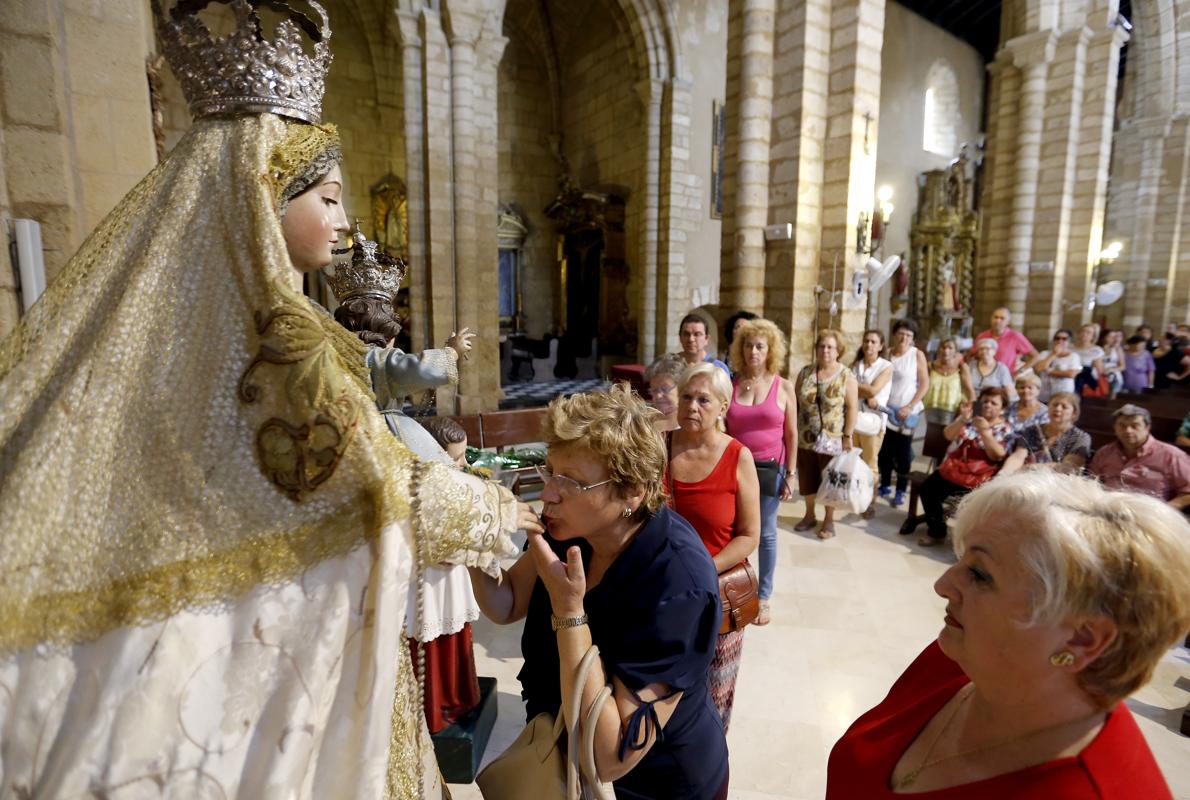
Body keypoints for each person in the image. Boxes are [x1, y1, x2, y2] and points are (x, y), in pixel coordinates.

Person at [0, 4, 529, 796]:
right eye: (329, 199)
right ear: (260, 198)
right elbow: (377, 481)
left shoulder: (194, 317)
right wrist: (495, 511)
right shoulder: (281, 332)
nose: (346, 224)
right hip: (263, 624)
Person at [827, 471, 1190, 800]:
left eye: (980, 575)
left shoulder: (1098, 789)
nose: (943, 584)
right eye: (961, 559)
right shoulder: (956, 658)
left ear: (1082, 639)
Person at [469, 385, 730, 799]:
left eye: (571, 482)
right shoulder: (568, 528)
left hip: (656, 783)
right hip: (562, 755)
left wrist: (570, 611)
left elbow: (609, 756)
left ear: (632, 491)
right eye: (548, 470)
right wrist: (473, 542)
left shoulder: (680, 582)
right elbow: (507, 602)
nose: (548, 494)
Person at [667, 363, 760, 730]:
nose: (692, 405)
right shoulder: (658, 449)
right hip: (663, 593)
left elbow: (749, 535)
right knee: (663, 692)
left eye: (703, 399)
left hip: (716, 597)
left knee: (713, 700)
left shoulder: (739, 457)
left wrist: (705, 567)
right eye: (686, 397)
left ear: (724, 407)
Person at [726, 318, 797, 620]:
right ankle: (732, 586)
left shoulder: (783, 387)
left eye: (760, 346)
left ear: (770, 351)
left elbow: (792, 433)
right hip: (735, 469)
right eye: (748, 345)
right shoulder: (731, 384)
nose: (753, 351)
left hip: (770, 469)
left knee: (766, 533)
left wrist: (790, 474)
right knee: (734, 530)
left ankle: (763, 594)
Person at [912, 387, 1014, 547]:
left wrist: (985, 432)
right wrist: (962, 419)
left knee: (975, 508)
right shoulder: (970, 418)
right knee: (928, 490)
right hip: (954, 469)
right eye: (985, 401)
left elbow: (997, 455)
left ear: (1003, 409)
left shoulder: (1006, 427)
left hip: (979, 477)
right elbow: (947, 435)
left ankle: (969, 543)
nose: (988, 405)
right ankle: (937, 531)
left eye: (994, 403)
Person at [794, 329, 859, 539]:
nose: (825, 351)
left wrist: (848, 435)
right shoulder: (805, 372)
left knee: (830, 480)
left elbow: (852, 408)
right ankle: (809, 515)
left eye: (830, 347)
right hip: (805, 437)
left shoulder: (846, 376)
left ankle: (829, 520)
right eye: (821, 346)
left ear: (838, 351)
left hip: (833, 439)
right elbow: (795, 403)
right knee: (807, 479)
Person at [1089, 404, 1190, 508]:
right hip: (1107, 509)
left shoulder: (1172, 455)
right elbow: (1090, 483)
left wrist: (1165, 510)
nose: (1128, 430)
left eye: (1135, 425)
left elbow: (1188, 492)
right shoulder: (1104, 453)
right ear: (1114, 428)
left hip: (1148, 514)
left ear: (1147, 428)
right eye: (1122, 425)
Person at [877, 319, 930, 508]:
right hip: (887, 410)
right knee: (884, 451)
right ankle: (884, 485)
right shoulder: (887, 354)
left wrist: (910, 406)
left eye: (909, 335)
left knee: (903, 453)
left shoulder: (917, 355)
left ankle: (900, 489)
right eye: (901, 333)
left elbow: (924, 384)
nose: (904, 338)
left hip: (908, 411)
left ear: (913, 338)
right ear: (894, 334)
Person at [850, 329, 892, 518]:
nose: (869, 345)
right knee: (854, 462)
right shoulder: (855, 365)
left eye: (874, 342)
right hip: (853, 419)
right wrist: (862, 390)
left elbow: (873, 390)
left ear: (881, 346)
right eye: (867, 341)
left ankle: (870, 502)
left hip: (872, 423)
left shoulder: (886, 366)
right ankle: (854, 497)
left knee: (870, 464)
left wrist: (852, 386)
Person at [1000, 392, 1091, 476]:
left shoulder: (1080, 437)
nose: (1058, 409)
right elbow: (1018, 456)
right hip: (1026, 477)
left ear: (1074, 413)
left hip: (1057, 482)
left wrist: (1032, 468)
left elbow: (1069, 467)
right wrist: (1003, 474)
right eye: (1054, 405)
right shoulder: (1032, 430)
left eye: (1064, 407)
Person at [922, 338, 974, 425]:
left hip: (953, 410)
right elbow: (922, 385)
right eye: (943, 347)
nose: (946, 351)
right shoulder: (930, 366)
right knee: (931, 435)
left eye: (950, 348)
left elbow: (970, 391)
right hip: (931, 408)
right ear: (939, 349)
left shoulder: (961, 367)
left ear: (956, 351)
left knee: (947, 436)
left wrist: (972, 411)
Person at [972, 307, 1037, 373]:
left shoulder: (1015, 336)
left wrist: (1019, 372)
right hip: (983, 375)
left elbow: (1035, 356)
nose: (998, 321)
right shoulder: (982, 336)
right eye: (995, 317)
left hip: (1005, 378)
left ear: (1008, 322)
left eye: (1002, 318)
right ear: (991, 318)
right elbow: (971, 354)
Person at [1031, 329, 1082, 401]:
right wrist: (1054, 354)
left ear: (1069, 342)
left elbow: (1071, 374)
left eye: (1064, 339)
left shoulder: (1073, 356)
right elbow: (1038, 368)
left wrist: (1049, 371)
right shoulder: (1045, 353)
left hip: (1063, 393)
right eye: (1057, 338)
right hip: (1044, 394)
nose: (1060, 341)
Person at [644, 352, 687, 432]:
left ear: (682, 388)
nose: (658, 396)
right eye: (654, 390)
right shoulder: (644, 421)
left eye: (665, 389)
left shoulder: (688, 425)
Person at [969, 338, 1017, 403]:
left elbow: (1010, 391)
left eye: (987, 348)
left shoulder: (1001, 368)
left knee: (979, 410)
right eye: (981, 349)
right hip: (972, 400)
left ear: (994, 351)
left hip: (991, 402)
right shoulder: (971, 365)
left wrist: (1006, 408)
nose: (984, 351)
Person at [1071, 324, 1106, 395]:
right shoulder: (1070, 347)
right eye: (1083, 331)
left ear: (1093, 336)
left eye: (1088, 332)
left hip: (1085, 379)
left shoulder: (1096, 350)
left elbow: (1099, 369)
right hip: (1069, 375)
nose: (1084, 334)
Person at [1100, 329, 1125, 398]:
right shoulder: (1098, 348)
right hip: (1100, 375)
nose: (1113, 339)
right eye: (1110, 336)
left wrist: (1111, 370)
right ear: (1104, 337)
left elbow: (1123, 366)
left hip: (1114, 376)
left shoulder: (1117, 349)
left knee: (1111, 398)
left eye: (1114, 337)